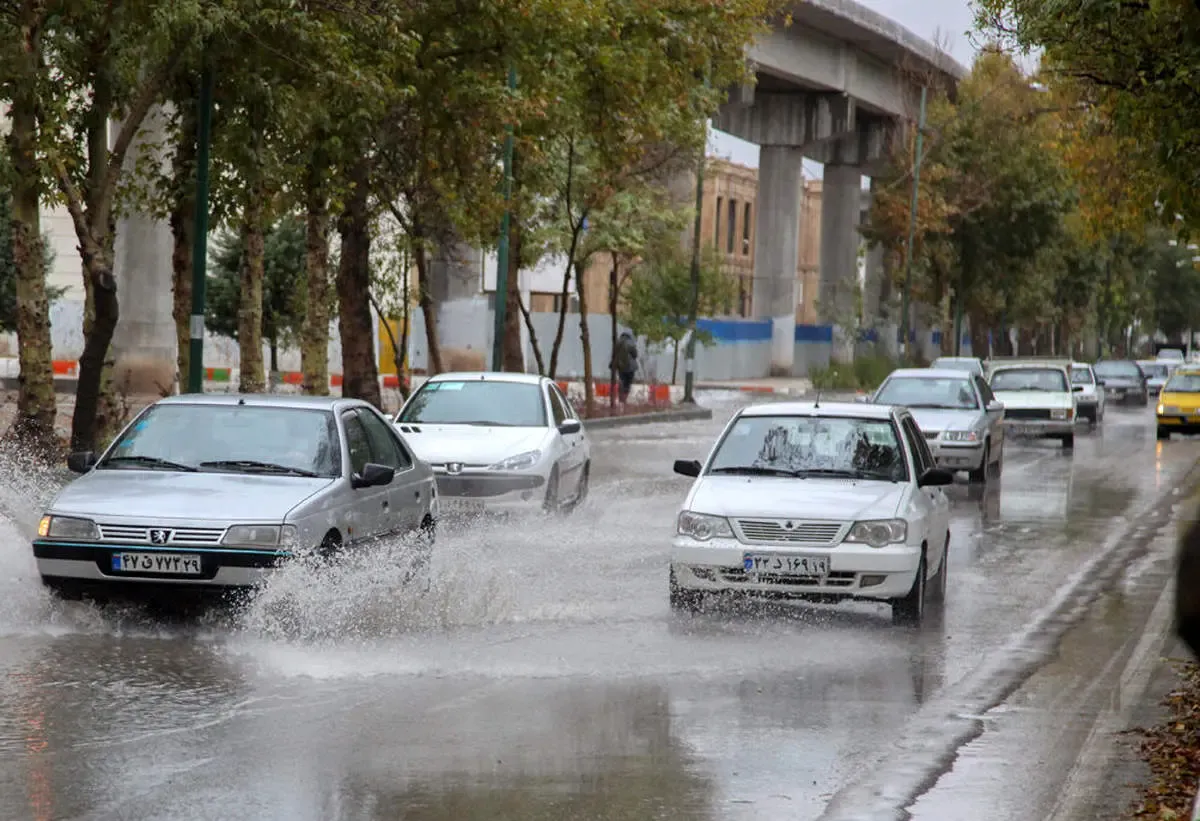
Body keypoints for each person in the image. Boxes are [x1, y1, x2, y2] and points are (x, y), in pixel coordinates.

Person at [612, 331, 639, 405]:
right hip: (630, 367)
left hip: (621, 366)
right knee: (628, 383)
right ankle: (625, 398)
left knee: (622, 381)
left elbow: (614, 354)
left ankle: (621, 399)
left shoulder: (617, 343)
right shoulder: (631, 343)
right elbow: (635, 354)